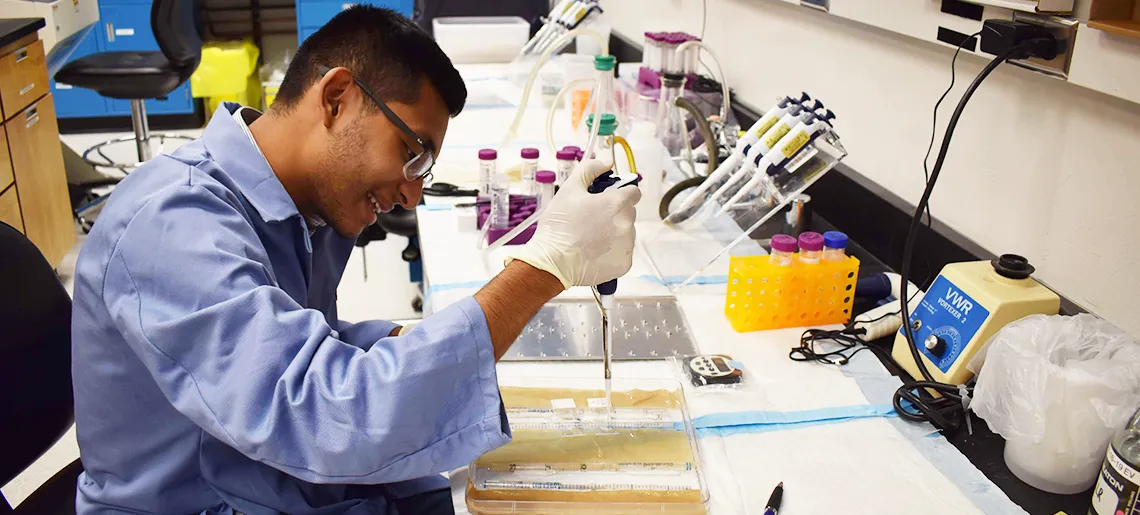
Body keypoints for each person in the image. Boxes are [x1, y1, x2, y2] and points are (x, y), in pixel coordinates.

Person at [69, 7, 639, 515]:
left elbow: (299, 342)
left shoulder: (301, 207)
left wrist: (439, 346)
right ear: (337, 97)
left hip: (273, 476)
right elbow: (320, 414)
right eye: (412, 153)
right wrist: (543, 267)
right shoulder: (173, 224)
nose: (412, 196)